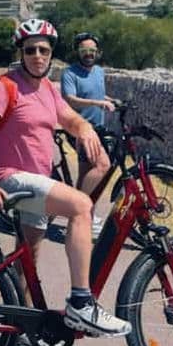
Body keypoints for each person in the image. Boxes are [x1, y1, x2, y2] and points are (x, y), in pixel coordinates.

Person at [0, 19, 131, 337]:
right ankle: (82, 303)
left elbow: (68, 117)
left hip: (36, 180)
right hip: (11, 178)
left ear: (51, 54)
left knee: (28, 259)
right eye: (30, 50)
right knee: (82, 205)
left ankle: (22, 326)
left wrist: (84, 129)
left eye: (44, 50)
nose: (38, 56)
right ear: (21, 52)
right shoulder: (3, 87)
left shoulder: (47, 89)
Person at [60, 32, 115, 235]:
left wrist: (111, 100)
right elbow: (70, 99)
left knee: (85, 177)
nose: (89, 54)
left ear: (97, 52)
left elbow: (97, 94)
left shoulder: (99, 71)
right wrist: (97, 103)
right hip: (81, 130)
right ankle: (78, 212)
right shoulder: (70, 73)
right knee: (103, 166)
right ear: (78, 52)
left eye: (92, 50)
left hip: (98, 129)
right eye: (84, 50)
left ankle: (86, 217)